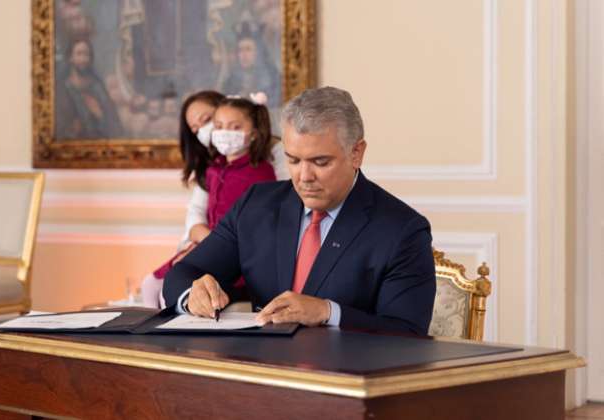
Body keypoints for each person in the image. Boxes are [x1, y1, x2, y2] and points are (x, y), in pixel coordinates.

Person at [163, 86, 436, 335]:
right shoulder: (256, 205)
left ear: (356, 153)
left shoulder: (402, 230)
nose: (304, 176)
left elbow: (407, 333)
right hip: (260, 374)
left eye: (320, 161)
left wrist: (328, 312)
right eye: (293, 160)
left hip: (344, 381)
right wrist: (193, 294)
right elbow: (185, 272)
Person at [141, 94, 279, 308]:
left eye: (234, 127)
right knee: (151, 284)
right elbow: (196, 213)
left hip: (234, 254)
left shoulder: (262, 171)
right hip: (206, 245)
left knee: (172, 294)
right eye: (218, 126)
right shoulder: (214, 168)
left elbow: (260, 227)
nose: (224, 133)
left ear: (253, 133)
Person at [55, 39, 124, 139]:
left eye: (86, 54)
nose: (83, 59)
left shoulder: (98, 87)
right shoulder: (63, 89)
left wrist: (99, 113)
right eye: (79, 54)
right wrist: (72, 129)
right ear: (71, 58)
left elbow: (116, 128)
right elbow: (58, 130)